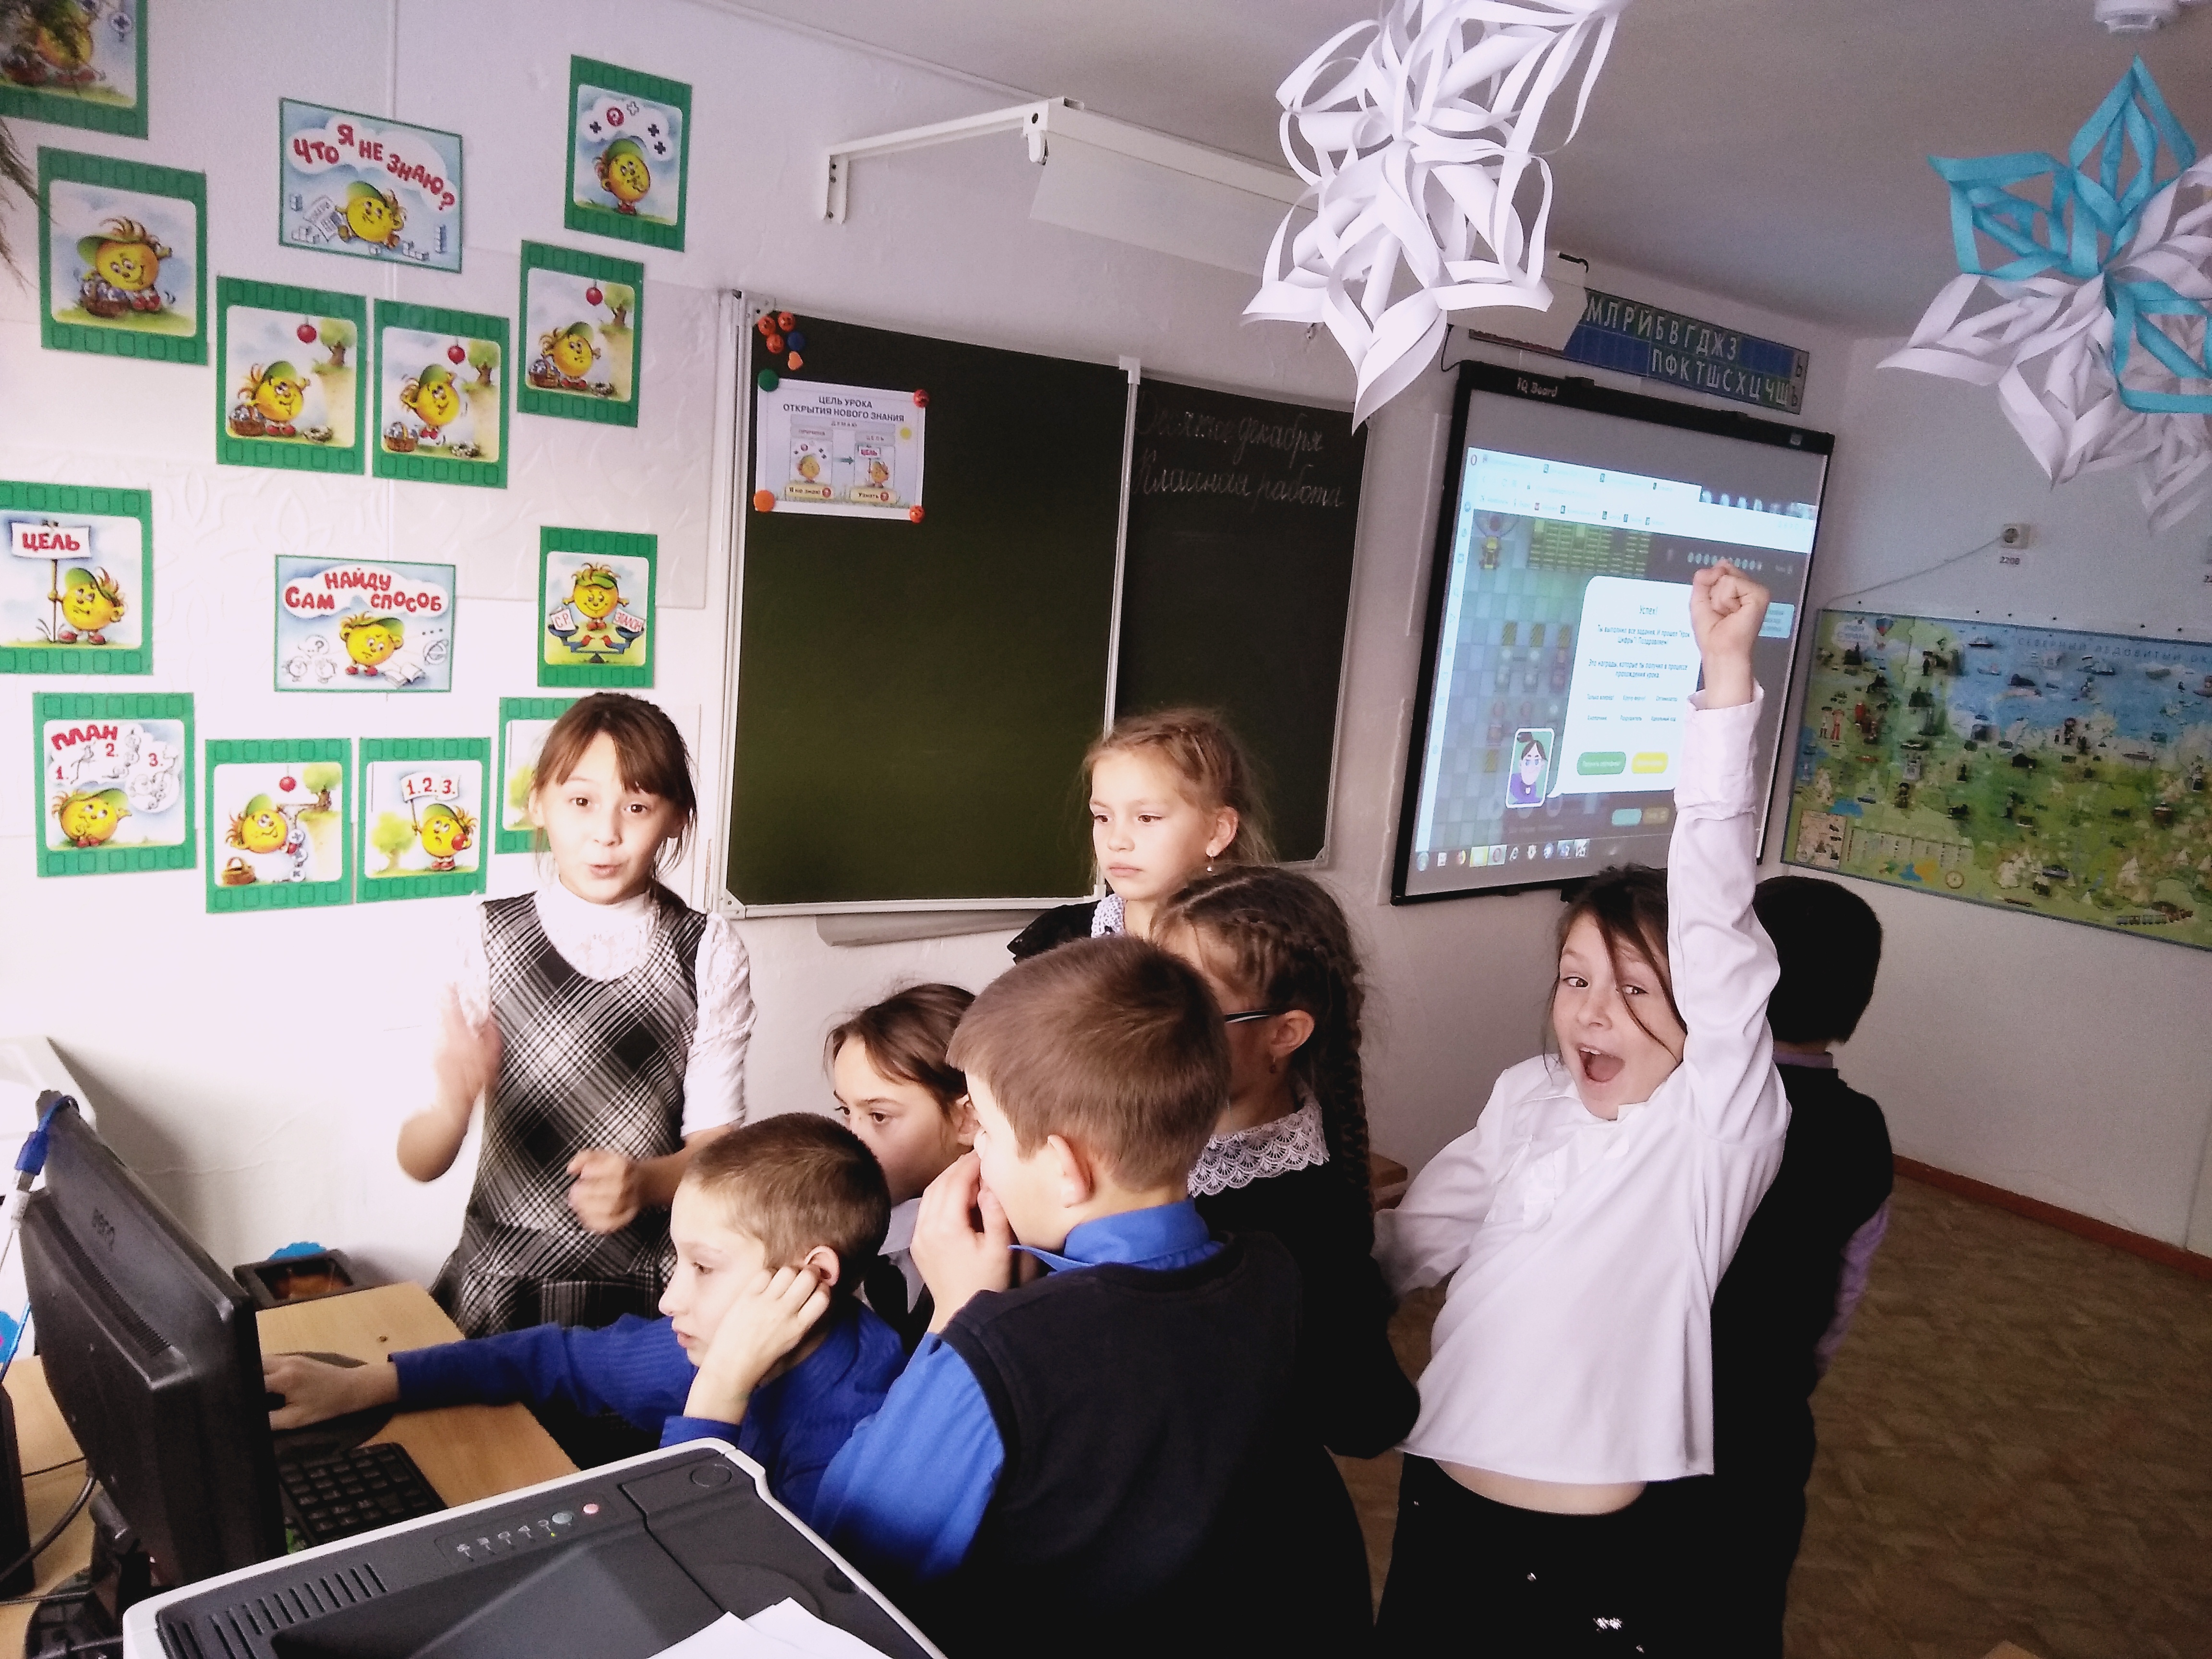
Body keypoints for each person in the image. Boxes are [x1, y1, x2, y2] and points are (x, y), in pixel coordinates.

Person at [1373, 560, 1789, 1655]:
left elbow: (1714, 914)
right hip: (1439, 1486)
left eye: (1638, 989)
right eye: (1574, 979)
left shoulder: (1714, 1131)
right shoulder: (1528, 1095)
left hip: (1584, 1542)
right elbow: (1418, 1239)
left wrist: (1724, 675)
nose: (1595, 1011)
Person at [813, 936, 1371, 1657]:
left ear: (1065, 1167)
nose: (977, 1154)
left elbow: (848, 1549)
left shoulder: (1000, 1352)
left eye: (988, 1134)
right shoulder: (1271, 1271)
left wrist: (953, 1316)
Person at [266, 1116, 901, 1527]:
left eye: (704, 1267)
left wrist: (720, 1392)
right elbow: (554, 1359)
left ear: (811, 1277)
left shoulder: (858, 1439)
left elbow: (694, 1572)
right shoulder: (704, 1341)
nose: (669, 1300)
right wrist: (363, 1385)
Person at [397, 693, 756, 1338]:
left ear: (677, 818)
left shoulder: (707, 950)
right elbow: (419, 1161)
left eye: (637, 807)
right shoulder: (483, 937)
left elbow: (716, 1152)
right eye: (581, 801)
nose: (606, 833)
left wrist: (645, 1183)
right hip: (500, 1282)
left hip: (648, 1288)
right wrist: (454, 1105)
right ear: (538, 802)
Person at [1155, 865, 1417, 1457]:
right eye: (1153, 990)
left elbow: (1369, 1420)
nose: (1151, 1026)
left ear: (1284, 1033)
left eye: (1192, 1006)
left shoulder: (1304, 1223)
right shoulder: (1145, 1132)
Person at [1695, 874, 1893, 1657]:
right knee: (1741, 1599)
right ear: (1857, 1001)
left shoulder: (1685, 1102)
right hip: (1768, 1414)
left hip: (1652, 1403)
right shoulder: (1862, 1129)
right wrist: (1797, 1369)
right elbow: (1846, 1284)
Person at [1007, 708, 1270, 960]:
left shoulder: (1258, 952)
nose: (1116, 841)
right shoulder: (1059, 940)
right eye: (1103, 817)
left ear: (1217, 831)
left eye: (1146, 818)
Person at [826, 983, 978, 1352]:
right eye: (846, 1111)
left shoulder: (997, 1249)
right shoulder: (853, 1215)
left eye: (879, 1116)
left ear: (968, 1119)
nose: (851, 1139)